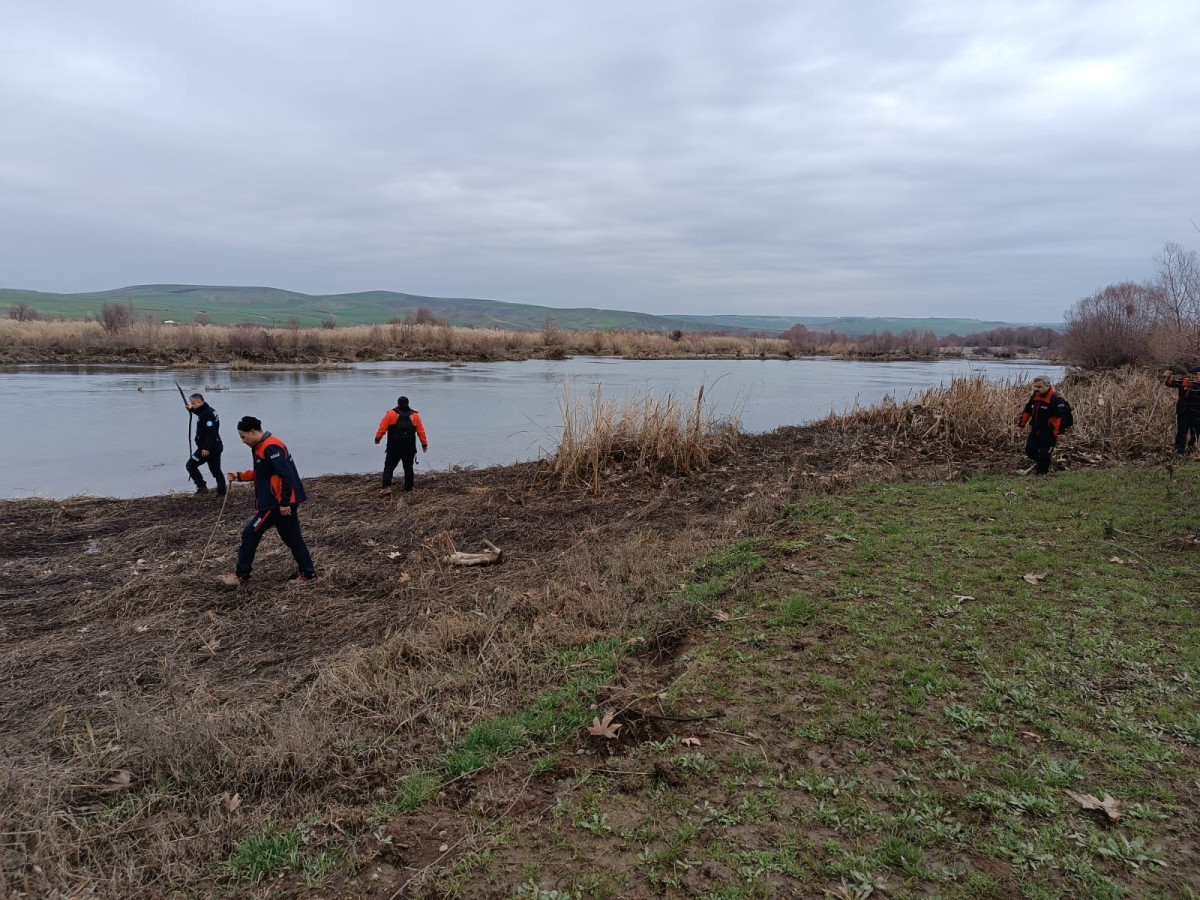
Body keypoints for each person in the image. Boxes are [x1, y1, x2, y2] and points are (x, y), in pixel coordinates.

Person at [218, 416, 316, 586]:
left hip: (276, 504)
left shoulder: (270, 446)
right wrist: (240, 476)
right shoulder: (261, 446)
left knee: (250, 533)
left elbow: (285, 475)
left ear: (252, 432)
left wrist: (284, 503)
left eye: (243, 437)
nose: (242, 441)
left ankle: (241, 576)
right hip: (279, 502)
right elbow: (264, 473)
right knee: (292, 538)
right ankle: (308, 573)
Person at [1015, 376, 1073, 475]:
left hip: (1049, 432)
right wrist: (1021, 425)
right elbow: (1027, 411)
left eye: (1039, 387)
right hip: (1035, 430)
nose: (1036, 389)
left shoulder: (1056, 399)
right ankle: (1043, 464)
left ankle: (1042, 475)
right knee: (1030, 451)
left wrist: (1061, 432)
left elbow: (1061, 417)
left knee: (1045, 454)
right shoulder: (1035, 397)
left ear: (1047, 386)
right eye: (1035, 386)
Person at [374, 395, 428, 495]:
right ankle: (409, 488)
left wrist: (377, 438)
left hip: (394, 447)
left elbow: (382, 428)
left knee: (389, 466)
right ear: (408, 403)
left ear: (398, 404)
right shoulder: (415, 415)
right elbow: (421, 431)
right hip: (409, 447)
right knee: (408, 467)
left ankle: (386, 487)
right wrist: (424, 444)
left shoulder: (391, 414)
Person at [185, 392, 225, 496]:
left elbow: (212, 432)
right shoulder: (208, 411)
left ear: (200, 402)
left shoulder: (207, 414)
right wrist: (192, 410)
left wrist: (206, 448)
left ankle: (202, 487)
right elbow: (201, 415)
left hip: (209, 448)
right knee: (216, 471)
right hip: (214, 445)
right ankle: (221, 492)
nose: (192, 405)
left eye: (193, 403)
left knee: (190, 465)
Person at [1163, 366, 1200, 455]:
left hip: (1198, 413)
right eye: (1192, 375)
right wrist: (1168, 377)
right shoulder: (1184, 382)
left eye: (1196, 376)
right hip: (1184, 412)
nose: (1193, 378)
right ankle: (1179, 452)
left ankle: (1193, 452)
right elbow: (1170, 383)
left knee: (1196, 434)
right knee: (1182, 432)